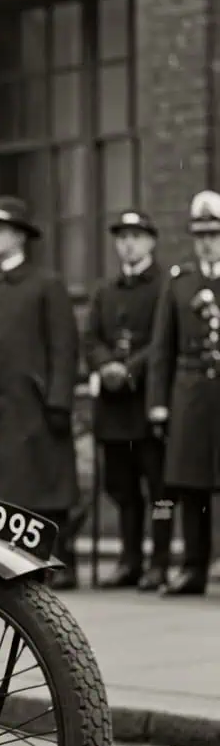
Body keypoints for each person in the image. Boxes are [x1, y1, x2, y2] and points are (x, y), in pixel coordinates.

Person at [0, 196, 80, 589]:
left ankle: (50, 560)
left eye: (1, 229)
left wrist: (59, 400)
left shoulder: (46, 284)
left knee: (33, 485)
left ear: (21, 237)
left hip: (29, 406)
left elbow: (64, 347)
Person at [85, 210, 173, 591]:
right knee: (122, 489)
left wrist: (130, 370)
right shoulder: (106, 290)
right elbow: (90, 338)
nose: (128, 244)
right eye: (122, 237)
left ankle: (161, 562)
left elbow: (164, 340)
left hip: (148, 403)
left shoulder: (166, 286)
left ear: (151, 241)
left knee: (160, 491)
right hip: (114, 409)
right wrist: (106, 366)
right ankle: (130, 560)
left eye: (136, 236)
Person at [146, 190, 220, 596]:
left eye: (214, 233)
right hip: (189, 397)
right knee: (191, 488)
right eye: (201, 234)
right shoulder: (179, 283)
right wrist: (158, 404)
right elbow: (162, 349)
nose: (207, 241)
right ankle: (193, 567)